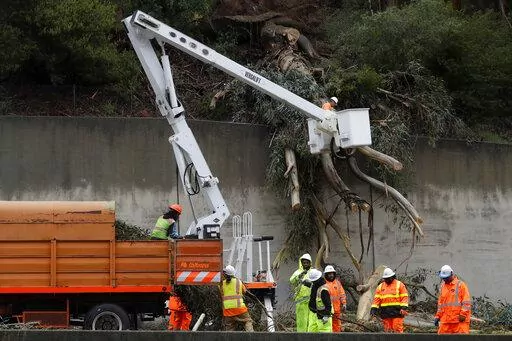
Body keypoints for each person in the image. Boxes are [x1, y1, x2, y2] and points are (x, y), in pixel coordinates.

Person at [434, 265, 471, 334]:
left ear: (451, 274)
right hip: (446, 321)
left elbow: (466, 301)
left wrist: (463, 314)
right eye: (443, 278)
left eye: (446, 278)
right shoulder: (442, 286)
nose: (445, 280)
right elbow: (441, 304)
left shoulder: (460, 285)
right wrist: (438, 316)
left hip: (459, 321)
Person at [370, 267, 409, 333]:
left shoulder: (399, 285)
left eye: (388, 278)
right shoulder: (380, 286)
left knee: (397, 330)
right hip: (385, 313)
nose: (387, 280)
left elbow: (404, 297)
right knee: (387, 331)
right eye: (386, 279)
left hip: (397, 313)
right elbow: (376, 299)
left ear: (392, 277)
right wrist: (373, 309)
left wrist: (404, 308)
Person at [220, 265, 254, 331]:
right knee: (248, 321)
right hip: (240, 309)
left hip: (227, 311)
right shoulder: (239, 282)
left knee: (229, 328)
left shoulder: (221, 285)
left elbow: (222, 294)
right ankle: (250, 335)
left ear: (225, 274)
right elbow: (245, 292)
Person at [289, 253, 315, 332]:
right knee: (301, 320)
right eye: (304, 262)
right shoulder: (297, 272)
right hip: (300, 301)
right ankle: (301, 336)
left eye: (307, 262)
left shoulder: (313, 272)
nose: (306, 264)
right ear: (301, 263)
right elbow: (291, 281)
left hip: (311, 300)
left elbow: (318, 282)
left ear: (310, 263)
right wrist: (300, 276)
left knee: (312, 320)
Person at [324, 265, 347, 332]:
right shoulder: (323, 283)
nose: (331, 275)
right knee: (328, 326)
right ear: (326, 274)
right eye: (329, 274)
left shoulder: (337, 283)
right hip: (327, 310)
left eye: (332, 273)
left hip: (337, 310)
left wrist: (344, 303)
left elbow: (342, 294)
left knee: (337, 326)